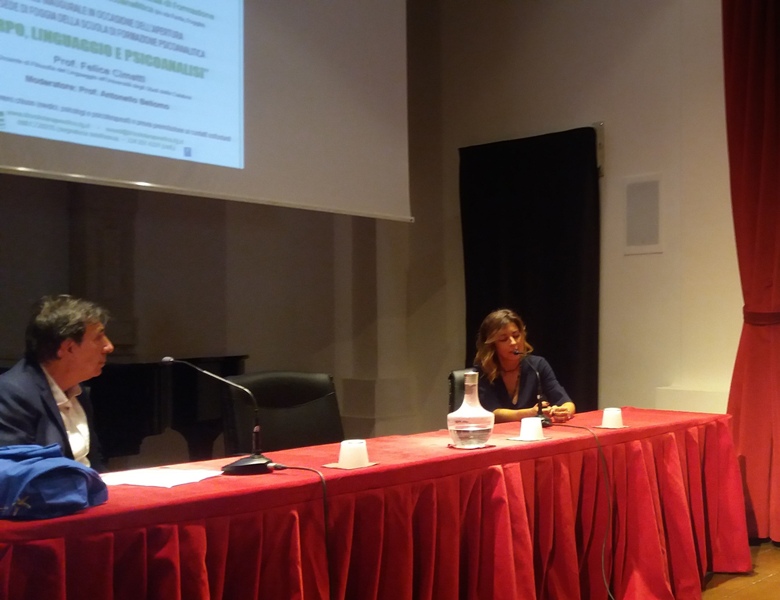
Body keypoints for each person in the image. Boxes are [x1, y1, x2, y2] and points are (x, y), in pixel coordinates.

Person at [0, 295, 114, 471]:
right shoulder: (11, 394)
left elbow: (94, 463)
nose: (109, 347)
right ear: (67, 348)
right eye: (98, 337)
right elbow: (18, 475)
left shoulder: (77, 390)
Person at [473, 308, 575, 424]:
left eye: (516, 335)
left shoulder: (537, 366)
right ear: (492, 345)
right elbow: (492, 413)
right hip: (497, 434)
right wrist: (529, 413)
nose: (513, 342)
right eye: (503, 339)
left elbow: (567, 402)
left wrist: (564, 411)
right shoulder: (482, 372)